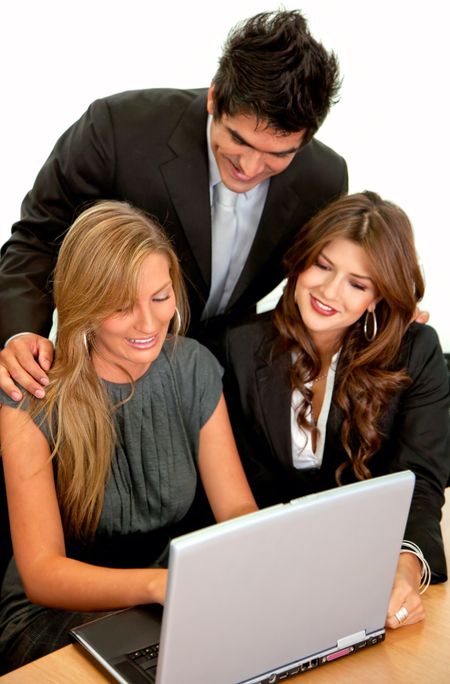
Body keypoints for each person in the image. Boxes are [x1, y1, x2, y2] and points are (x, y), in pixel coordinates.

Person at [0, 9, 348, 401]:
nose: (251, 168)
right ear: (215, 97)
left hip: (225, 383)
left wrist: (390, 313)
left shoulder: (325, 179)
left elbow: (333, 272)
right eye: (240, 140)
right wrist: (19, 330)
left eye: (277, 155)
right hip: (101, 375)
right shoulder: (116, 129)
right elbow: (39, 237)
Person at [0, 201, 257, 672]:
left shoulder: (193, 366)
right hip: (53, 618)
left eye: (160, 297)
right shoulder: (31, 393)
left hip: (158, 601)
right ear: (84, 305)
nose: (147, 323)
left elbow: (238, 513)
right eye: (121, 305)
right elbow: (41, 574)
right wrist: (159, 586)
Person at [223, 191, 450, 631]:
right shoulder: (239, 347)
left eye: (357, 284)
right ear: (300, 261)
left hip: (366, 572)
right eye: (323, 266)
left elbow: (420, 481)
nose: (329, 292)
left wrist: (404, 572)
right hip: (265, 579)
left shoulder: (416, 352)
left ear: (379, 296)